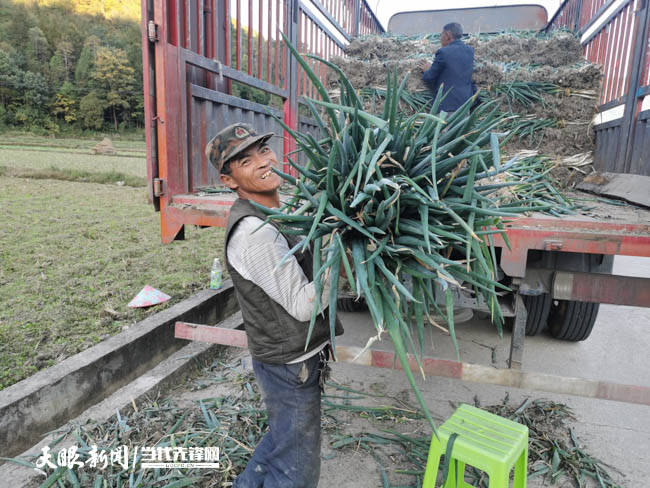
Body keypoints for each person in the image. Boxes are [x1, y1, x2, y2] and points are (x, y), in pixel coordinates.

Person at [205, 122, 343, 488]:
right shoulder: (255, 234)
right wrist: (346, 259)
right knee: (296, 466)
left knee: (283, 440)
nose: (263, 162)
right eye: (246, 161)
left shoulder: (279, 208)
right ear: (228, 180)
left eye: (264, 151)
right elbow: (301, 305)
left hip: (288, 356)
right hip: (288, 364)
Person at [417, 22, 477, 113]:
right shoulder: (470, 51)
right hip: (465, 107)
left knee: (445, 128)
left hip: (447, 108)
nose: (440, 38)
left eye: (442, 34)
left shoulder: (443, 52)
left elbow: (429, 77)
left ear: (448, 35)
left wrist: (427, 69)